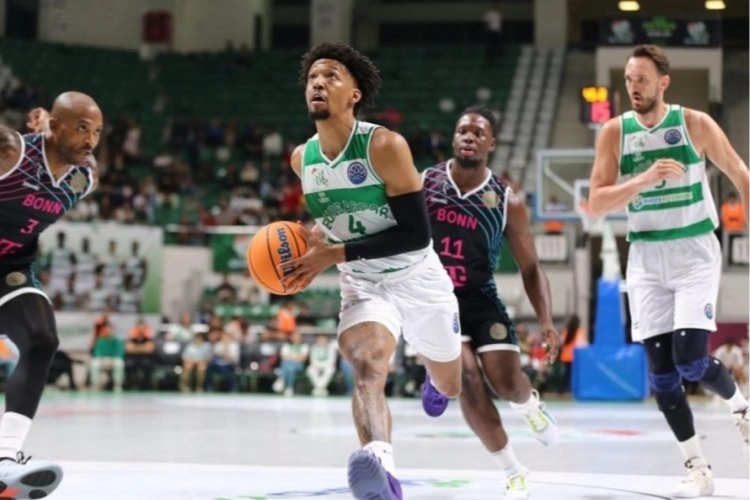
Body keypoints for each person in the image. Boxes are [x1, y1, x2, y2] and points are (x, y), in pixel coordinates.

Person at [282, 41, 462, 500]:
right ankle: (381, 468)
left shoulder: (384, 146)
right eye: (312, 77)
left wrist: (333, 253)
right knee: (367, 363)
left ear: (355, 94)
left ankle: (435, 378)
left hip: (417, 274)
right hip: (363, 282)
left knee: (451, 381)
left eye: (331, 76)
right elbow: (335, 218)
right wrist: (306, 247)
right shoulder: (303, 159)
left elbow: (415, 235)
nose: (318, 83)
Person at [588, 44, 749, 497]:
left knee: (691, 361)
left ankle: (741, 408)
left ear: (663, 82)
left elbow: (742, 175)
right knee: (661, 376)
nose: (633, 87)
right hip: (645, 256)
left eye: (641, 78)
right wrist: (644, 179)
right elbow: (596, 202)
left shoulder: (694, 124)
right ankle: (698, 469)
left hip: (693, 251)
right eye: (628, 79)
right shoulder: (615, 133)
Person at [423, 106, 560, 499]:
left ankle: (528, 405)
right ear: (454, 138)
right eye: (463, 130)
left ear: (492, 143)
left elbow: (531, 267)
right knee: (467, 381)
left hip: (481, 299)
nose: (469, 136)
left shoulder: (505, 200)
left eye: (478, 132)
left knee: (507, 384)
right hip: (435, 301)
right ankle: (514, 471)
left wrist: (546, 321)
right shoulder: (425, 183)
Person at [0, 91, 102, 498]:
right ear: (56, 126)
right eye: (82, 128)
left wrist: (52, 130)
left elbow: (82, 155)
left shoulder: (84, 177)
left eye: (97, 131)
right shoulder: (11, 151)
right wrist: (43, 132)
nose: (90, 140)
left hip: (9, 268)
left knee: (41, 340)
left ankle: (4, 459)